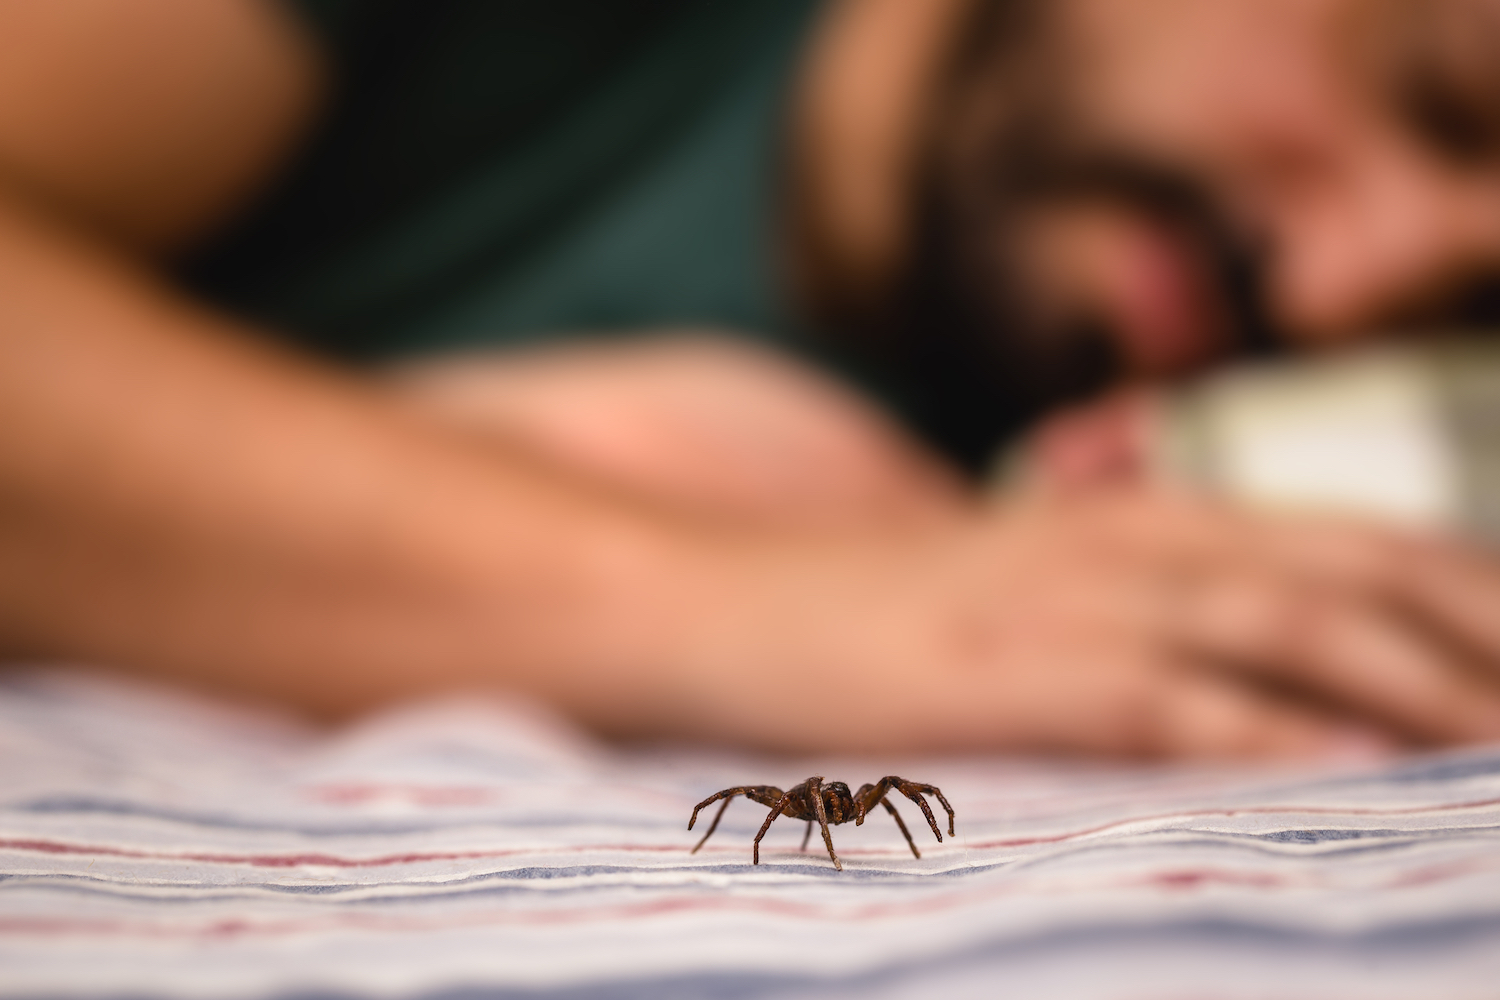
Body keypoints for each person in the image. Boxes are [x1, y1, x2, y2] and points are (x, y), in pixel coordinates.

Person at [4, 0, 1500, 759]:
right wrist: (725, 602)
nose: (1332, 291)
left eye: (1468, 306)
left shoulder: (1051, 496)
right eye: (1434, 93)